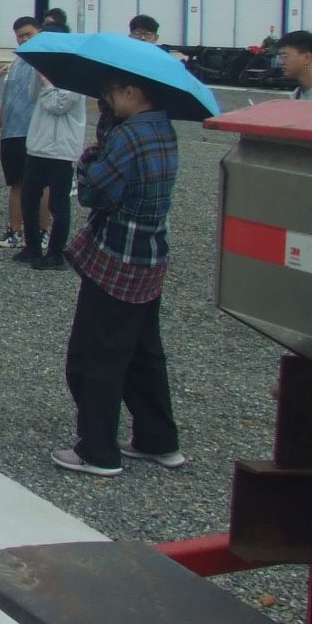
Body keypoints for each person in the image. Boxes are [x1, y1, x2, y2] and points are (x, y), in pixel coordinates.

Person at [52, 75, 184, 476]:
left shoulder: (129, 137)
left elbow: (95, 192)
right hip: (151, 254)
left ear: (131, 92)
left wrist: (91, 157)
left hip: (116, 258)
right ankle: (158, 439)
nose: (105, 100)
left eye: (110, 93)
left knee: (95, 356)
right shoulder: (162, 128)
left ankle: (97, 450)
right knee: (144, 353)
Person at [19, 27, 89, 272]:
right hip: (38, 144)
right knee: (29, 198)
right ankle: (32, 246)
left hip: (61, 148)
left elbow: (59, 105)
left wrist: (47, 82)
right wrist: (39, 74)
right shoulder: (43, 70)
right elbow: (32, 96)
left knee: (58, 203)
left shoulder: (77, 73)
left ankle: (56, 252)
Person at [0, 16, 45, 251]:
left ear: (39, 33)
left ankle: (42, 232)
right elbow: (7, 98)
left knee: (41, 184)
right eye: (20, 36)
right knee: (15, 183)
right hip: (12, 133)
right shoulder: (16, 62)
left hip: (35, 131)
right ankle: (15, 231)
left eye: (28, 34)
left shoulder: (45, 61)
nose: (23, 39)